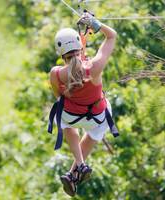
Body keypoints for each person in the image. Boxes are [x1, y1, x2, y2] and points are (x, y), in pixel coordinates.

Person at [48, 12, 118, 197]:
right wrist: (97, 24)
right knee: (95, 130)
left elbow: (59, 94)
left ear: (60, 52)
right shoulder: (95, 67)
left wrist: (82, 45)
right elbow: (112, 36)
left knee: (60, 111)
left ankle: (79, 166)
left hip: (71, 116)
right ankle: (74, 172)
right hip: (97, 117)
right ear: (79, 48)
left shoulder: (55, 74)